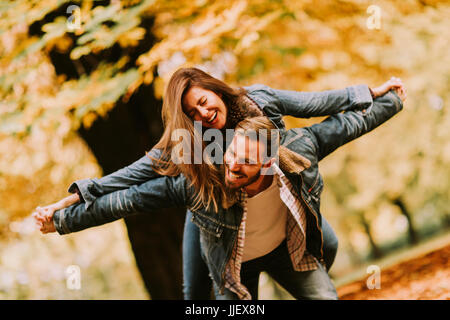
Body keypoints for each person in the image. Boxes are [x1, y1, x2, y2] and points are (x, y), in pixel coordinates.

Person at [33, 67, 405, 299]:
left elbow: (324, 107)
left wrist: (374, 94)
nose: (204, 114)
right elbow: (127, 189)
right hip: (215, 218)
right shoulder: (192, 158)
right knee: (196, 294)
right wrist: (67, 208)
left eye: (204, 102)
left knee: (327, 246)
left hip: (279, 216)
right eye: (193, 114)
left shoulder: (269, 115)